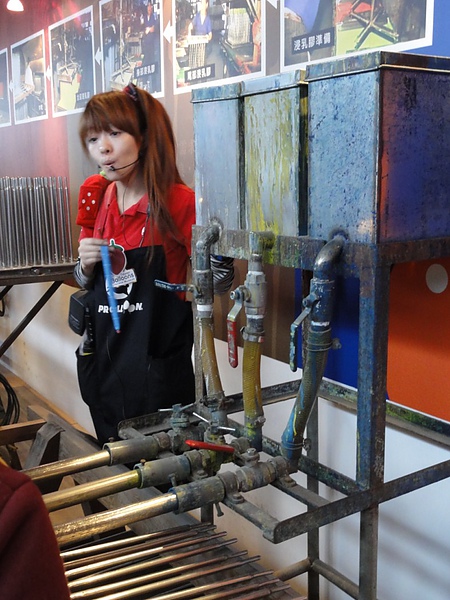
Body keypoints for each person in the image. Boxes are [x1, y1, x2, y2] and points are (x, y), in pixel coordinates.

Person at [73, 83, 196, 445]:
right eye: (93, 139)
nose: (103, 148)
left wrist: (218, 267)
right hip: (105, 364)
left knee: (163, 470)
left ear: (144, 137)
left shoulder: (178, 202)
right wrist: (85, 265)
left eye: (114, 133)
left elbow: (217, 282)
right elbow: (83, 281)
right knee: (111, 461)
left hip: (157, 372)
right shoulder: (98, 195)